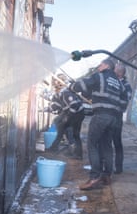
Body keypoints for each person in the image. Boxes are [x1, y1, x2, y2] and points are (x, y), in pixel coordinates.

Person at [70, 59, 128, 190]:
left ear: (107, 65)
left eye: (100, 64)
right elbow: (124, 99)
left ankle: (94, 177)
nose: (98, 66)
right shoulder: (119, 83)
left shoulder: (100, 76)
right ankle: (107, 175)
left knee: (92, 145)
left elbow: (81, 86)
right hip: (114, 118)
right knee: (106, 146)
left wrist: (72, 86)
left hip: (101, 116)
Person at [46, 76, 85, 159]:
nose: (54, 87)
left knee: (73, 133)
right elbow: (58, 106)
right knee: (61, 126)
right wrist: (46, 109)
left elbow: (74, 105)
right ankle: (55, 148)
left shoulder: (65, 93)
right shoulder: (60, 94)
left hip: (77, 114)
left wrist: (68, 118)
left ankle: (76, 153)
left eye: (55, 85)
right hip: (76, 113)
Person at [112, 63, 132, 174]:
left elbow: (127, 97)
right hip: (109, 116)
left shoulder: (126, 85)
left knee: (117, 142)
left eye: (114, 71)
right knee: (106, 142)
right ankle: (106, 166)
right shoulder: (112, 82)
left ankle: (118, 168)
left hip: (117, 117)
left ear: (119, 73)